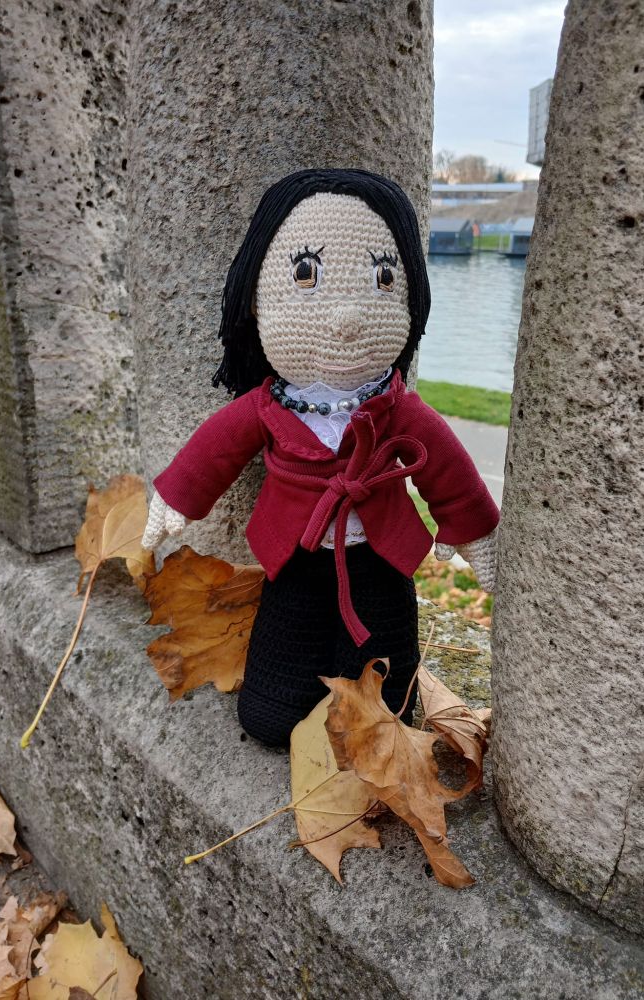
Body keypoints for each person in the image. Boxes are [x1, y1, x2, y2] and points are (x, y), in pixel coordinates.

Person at [141, 168, 499, 747]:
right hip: (296, 553)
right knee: (270, 713)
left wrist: (476, 532)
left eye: (384, 278)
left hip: (379, 554)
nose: (348, 317)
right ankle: (299, 705)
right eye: (306, 273)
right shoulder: (268, 406)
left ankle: (376, 724)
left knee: (382, 691)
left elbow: (449, 472)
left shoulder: (398, 409)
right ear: (257, 300)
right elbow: (215, 449)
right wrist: (177, 496)